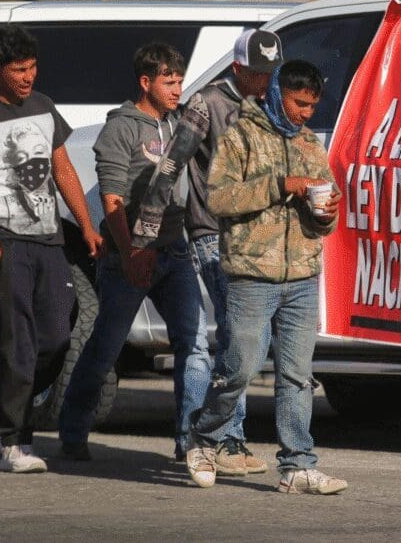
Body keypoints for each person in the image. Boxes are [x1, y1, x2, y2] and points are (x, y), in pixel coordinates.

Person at [0, 23, 103, 473]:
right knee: (18, 347)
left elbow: (64, 170)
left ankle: (5, 397)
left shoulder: (43, 107)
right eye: (18, 70)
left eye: (32, 67)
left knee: (57, 337)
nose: (28, 77)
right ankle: (14, 443)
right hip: (4, 244)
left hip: (50, 241)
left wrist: (85, 226)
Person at [186, 59, 346, 495]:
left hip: (302, 277)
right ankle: (203, 438)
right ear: (278, 93)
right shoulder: (240, 136)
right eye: (299, 103)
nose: (305, 114)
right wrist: (280, 184)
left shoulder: (312, 145)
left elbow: (325, 214)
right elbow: (218, 199)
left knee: (297, 376)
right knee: (239, 369)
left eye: (313, 106)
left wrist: (327, 213)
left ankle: (297, 465)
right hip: (251, 276)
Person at [131, 28, 283, 476]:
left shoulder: (270, 103)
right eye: (256, 73)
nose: (264, 80)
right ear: (238, 68)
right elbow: (172, 162)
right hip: (213, 233)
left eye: (270, 72)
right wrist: (147, 227)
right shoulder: (207, 103)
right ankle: (225, 442)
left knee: (245, 340)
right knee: (238, 337)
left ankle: (195, 437)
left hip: (258, 238)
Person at [59, 42, 211, 462]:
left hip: (174, 252)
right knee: (106, 347)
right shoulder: (121, 129)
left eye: (180, 81)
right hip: (127, 256)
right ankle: (73, 429)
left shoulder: (180, 124)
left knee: (193, 343)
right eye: (169, 81)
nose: (177, 89)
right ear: (146, 82)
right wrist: (129, 254)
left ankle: (189, 441)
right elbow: (111, 201)